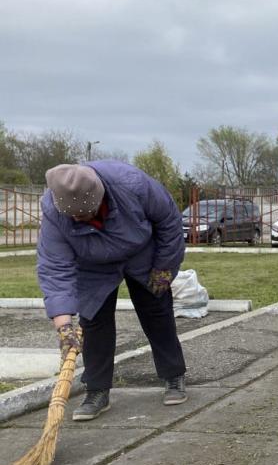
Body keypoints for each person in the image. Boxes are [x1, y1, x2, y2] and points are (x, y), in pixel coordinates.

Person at [37, 161, 188, 422]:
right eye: (73, 216)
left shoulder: (131, 184)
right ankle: (96, 391)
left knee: (157, 311)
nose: (77, 219)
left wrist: (164, 267)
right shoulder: (54, 211)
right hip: (93, 264)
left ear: (99, 197)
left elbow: (169, 222)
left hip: (142, 253)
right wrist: (64, 327)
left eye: (83, 215)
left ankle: (173, 376)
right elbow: (54, 268)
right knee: (94, 321)